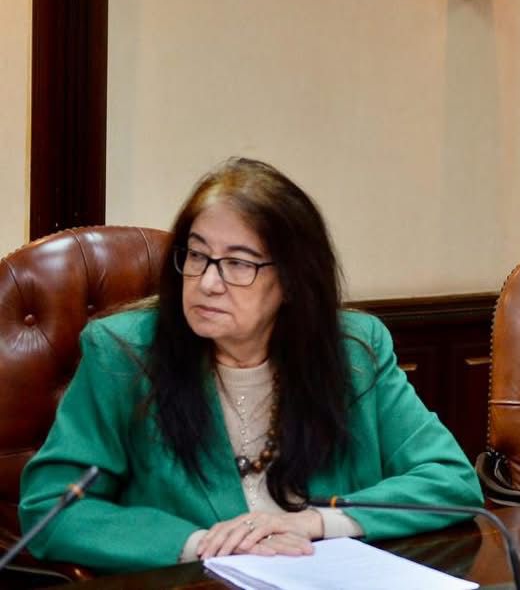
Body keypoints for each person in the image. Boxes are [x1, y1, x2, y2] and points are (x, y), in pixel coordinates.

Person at [19, 158, 482, 573]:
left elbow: (451, 481)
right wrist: (197, 544)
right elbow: (51, 508)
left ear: (293, 281)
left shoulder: (354, 350)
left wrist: (318, 521)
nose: (208, 282)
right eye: (197, 255)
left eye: (239, 264)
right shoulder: (124, 353)